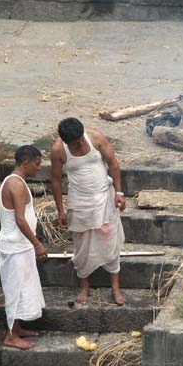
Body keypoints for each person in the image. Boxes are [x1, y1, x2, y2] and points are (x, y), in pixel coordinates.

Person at [50, 118, 126, 306]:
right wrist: (60, 210)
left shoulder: (95, 137)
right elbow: (56, 180)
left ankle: (115, 288)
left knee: (111, 241)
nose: (81, 144)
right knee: (82, 246)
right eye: (76, 144)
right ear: (66, 142)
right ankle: (85, 287)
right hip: (79, 202)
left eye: (81, 140)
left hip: (104, 196)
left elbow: (113, 164)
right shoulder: (58, 150)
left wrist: (119, 192)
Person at [0, 145, 47, 350]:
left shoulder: (16, 182)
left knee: (24, 289)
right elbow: (19, 219)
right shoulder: (15, 185)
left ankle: (17, 328)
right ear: (25, 163)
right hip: (15, 247)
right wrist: (37, 243)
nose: (38, 169)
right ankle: (10, 335)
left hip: (20, 246)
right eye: (36, 165)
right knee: (15, 291)